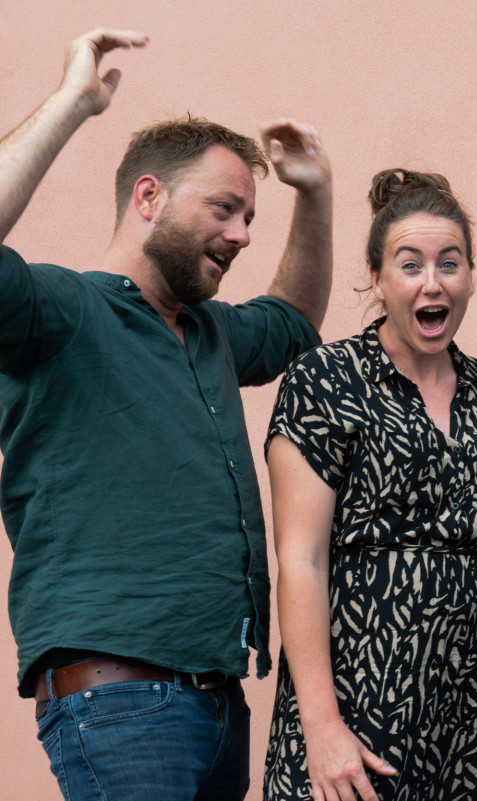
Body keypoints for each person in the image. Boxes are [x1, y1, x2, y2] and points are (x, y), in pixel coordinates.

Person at [0, 29, 333, 800]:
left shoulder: (209, 332)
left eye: (249, 217)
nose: (241, 235)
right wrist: (70, 103)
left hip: (215, 703)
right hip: (122, 703)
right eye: (224, 209)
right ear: (149, 197)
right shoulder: (64, 309)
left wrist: (315, 193)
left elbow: (292, 321)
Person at [262, 168, 477, 801]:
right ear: (378, 278)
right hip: (357, 710)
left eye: (450, 263)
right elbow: (301, 562)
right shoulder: (325, 380)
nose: (432, 282)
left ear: (470, 276)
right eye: (410, 265)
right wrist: (321, 727)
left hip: (471, 718)